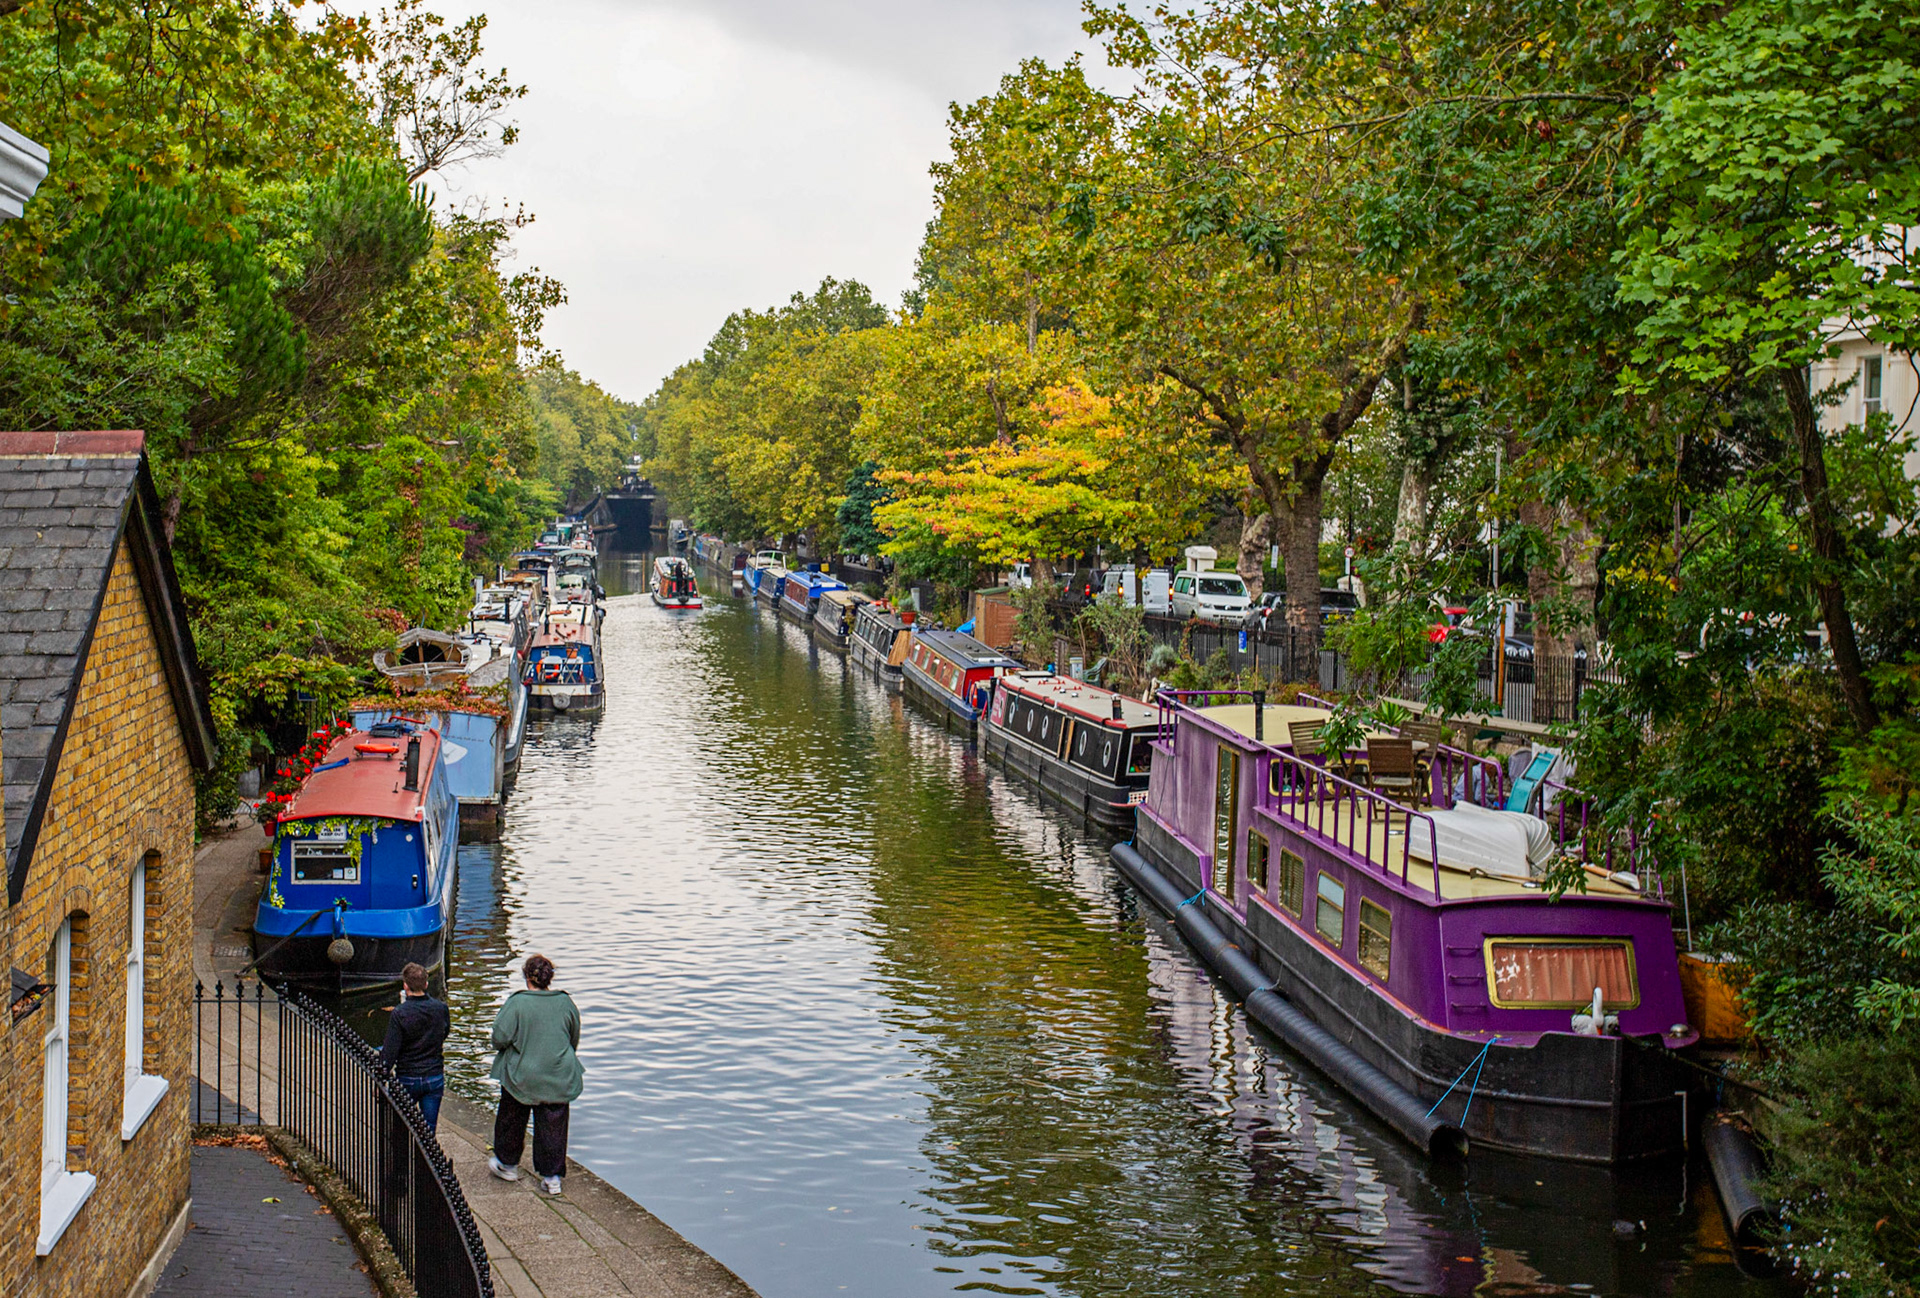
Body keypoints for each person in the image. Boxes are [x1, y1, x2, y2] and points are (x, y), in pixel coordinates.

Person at [487, 953, 584, 1196]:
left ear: (527, 977)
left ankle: (507, 1164)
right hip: (558, 1073)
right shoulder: (565, 1003)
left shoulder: (517, 1003)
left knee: (511, 1118)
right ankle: (552, 1177)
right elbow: (573, 1037)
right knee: (554, 1124)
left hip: (523, 1075)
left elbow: (499, 1038)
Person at [380, 962, 450, 1132]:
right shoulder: (441, 1008)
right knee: (428, 1130)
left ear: (405, 986)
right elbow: (444, 1032)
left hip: (408, 1075)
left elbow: (390, 1050)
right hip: (433, 1075)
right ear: (426, 984)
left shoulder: (400, 1013)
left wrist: (381, 1076)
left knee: (401, 1127)